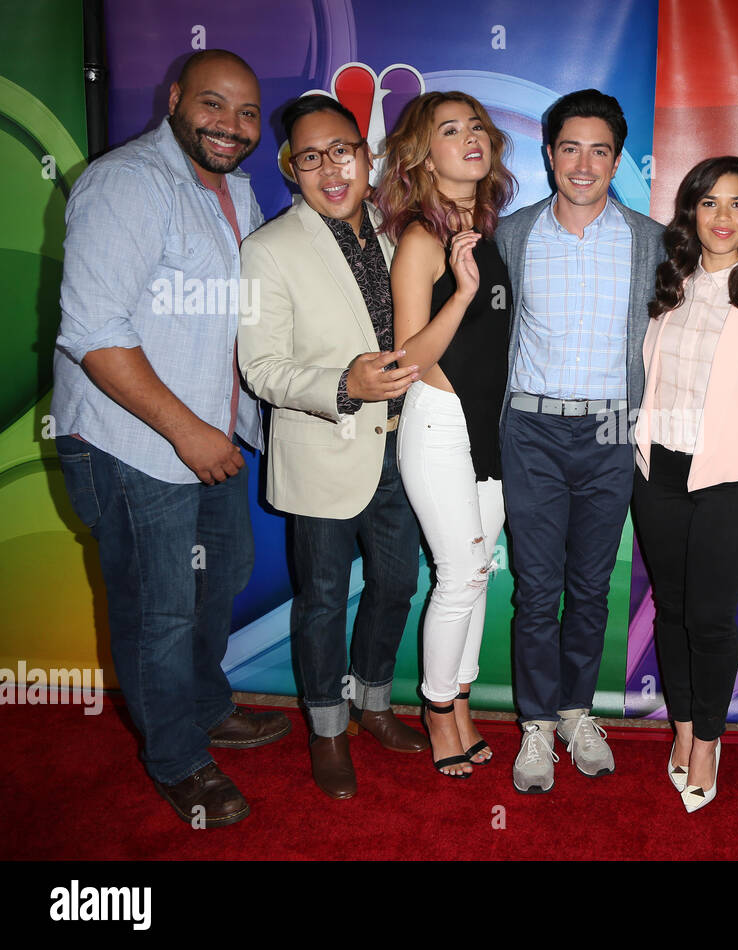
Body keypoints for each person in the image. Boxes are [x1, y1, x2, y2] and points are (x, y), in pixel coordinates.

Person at [52, 50, 290, 827]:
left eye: (248, 113)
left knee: (216, 581)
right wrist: (189, 432)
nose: (232, 125)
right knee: (159, 606)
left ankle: (204, 707)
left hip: (209, 439)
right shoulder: (128, 183)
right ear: (176, 98)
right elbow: (93, 330)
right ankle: (179, 761)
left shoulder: (237, 192)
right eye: (215, 105)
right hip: (138, 444)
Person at [238, 94, 428, 801]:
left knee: (397, 586)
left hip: (402, 451)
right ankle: (326, 730)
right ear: (292, 168)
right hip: (323, 449)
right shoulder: (267, 249)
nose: (330, 167)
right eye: (311, 157)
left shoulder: (398, 233)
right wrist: (342, 384)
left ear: (366, 153)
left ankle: (373, 706)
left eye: (341, 150)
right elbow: (260, 368)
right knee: (320, 599)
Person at [496, 89, 664, 793]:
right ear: (550, 154)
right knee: (536, 591)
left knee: (591, 588)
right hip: (531, 428)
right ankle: (534, 724)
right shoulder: (512, 234)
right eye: (571, 148)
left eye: (600, 150)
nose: (584, 163)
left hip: (609, 427)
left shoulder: (651, 241)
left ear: (618, 158)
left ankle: (575, 713)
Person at [633, 156, 738, 813]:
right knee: (672, 613)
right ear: (691, 213)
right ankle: (680, 730)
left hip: (732, 480)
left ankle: (707, 741)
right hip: (659, 473)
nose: (724, 217)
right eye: (710, 203)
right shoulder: (667, 284)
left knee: (708, 620)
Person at [373, 91, 515, 778]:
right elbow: (407, 360)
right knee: (459, 574)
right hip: (438, 424)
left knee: (477, 574)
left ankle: (459, 700)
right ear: (421, 155)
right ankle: (436, 710)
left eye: (478, 125)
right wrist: (459, 293)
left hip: (490, 427)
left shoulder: (488, 230)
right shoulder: (422, 240)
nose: (471, 137)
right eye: (451, 129)